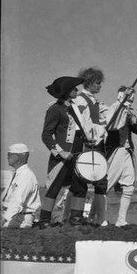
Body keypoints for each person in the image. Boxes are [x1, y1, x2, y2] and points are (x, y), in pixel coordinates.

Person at [37, 76, 91, 228]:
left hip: (77, 155)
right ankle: (44, 221)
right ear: (67, 91)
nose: (77, 90)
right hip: (62, 157)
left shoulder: (73, 108)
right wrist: (60, 152)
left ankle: (75, 221)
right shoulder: (55, 110)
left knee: (80, 187)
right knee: (54, 187)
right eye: (74, 88)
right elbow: (46, 135)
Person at [71, 67, 109, 226]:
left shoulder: (95, 101)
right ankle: (74, 217)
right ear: (89, 83)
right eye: (98, 83)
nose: (100, 86)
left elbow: (106, 116)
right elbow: (82, 123)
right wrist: (91, 137)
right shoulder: (81, 100)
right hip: (86, 144)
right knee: (79, 182)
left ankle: (100, 218)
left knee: (100, 181)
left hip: (96, 144)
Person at [103, 85, 137, 227]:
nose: (130, 101)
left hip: (127, 151)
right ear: (120, 96)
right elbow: (109, 126)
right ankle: (98, 218)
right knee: (105, 186)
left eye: (132, 98)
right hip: (115, 150)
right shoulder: (112, 110)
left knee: (129, 187)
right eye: (128, 97)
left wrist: (134, 121)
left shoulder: (130, 113)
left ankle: (121, 220)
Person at [0, 143, 41, 228]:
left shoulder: (26, 176)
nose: (7, 157)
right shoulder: (17, 174)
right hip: (12, 215)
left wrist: (4, 219)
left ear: (17, 157)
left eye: (9, 155)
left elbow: (17, 201)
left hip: (20, 218)